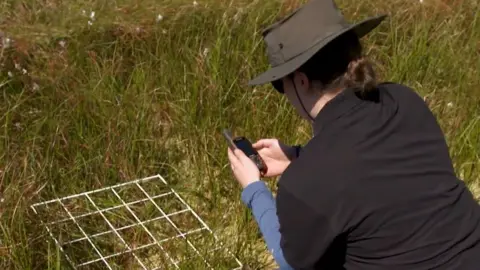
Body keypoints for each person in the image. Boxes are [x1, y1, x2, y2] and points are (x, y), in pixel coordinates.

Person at [226, 0, 480, 269]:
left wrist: (254, 190)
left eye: (280, 84)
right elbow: (377, 171)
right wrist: (300, 157)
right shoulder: (404, 100)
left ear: (301, 81)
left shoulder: (305, 183)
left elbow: (290, 259)